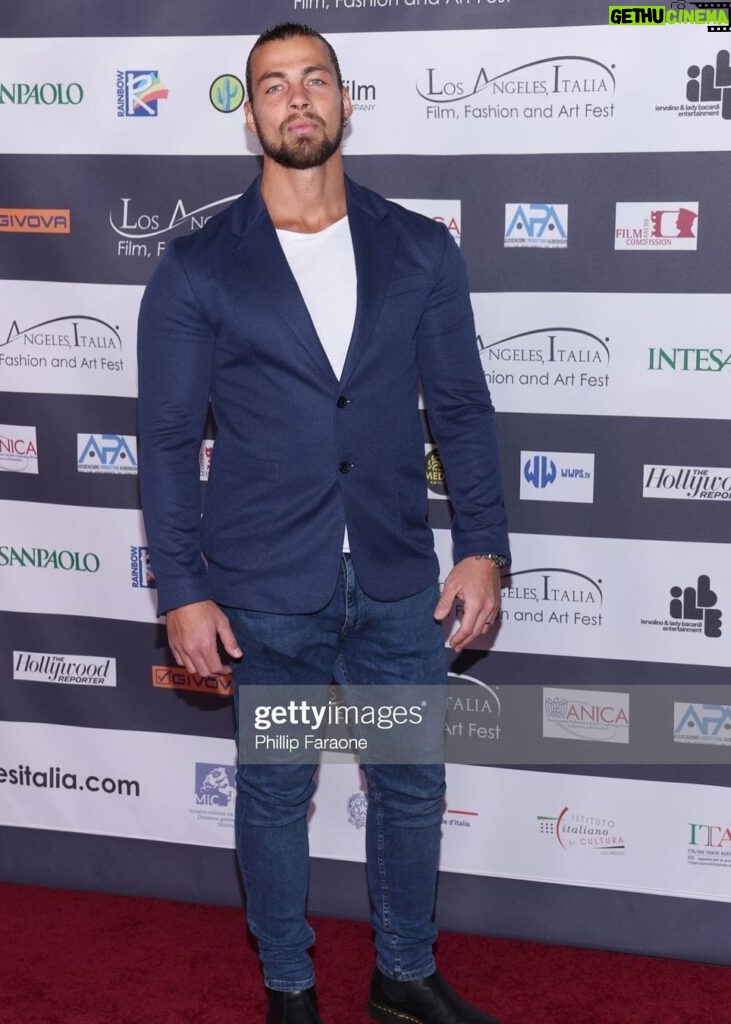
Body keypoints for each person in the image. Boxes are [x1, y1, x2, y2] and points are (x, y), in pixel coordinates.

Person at [137, 22, 510, 1024]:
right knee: (273, 794)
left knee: (409, 787)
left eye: (315, 81)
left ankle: (402, 972)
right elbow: (168, 443)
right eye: (273, 86)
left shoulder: (420, 249)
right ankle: (290, 988)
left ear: (345, 103)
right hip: (269, 587)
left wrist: (482, 545)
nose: (297, 100)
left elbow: (463, 409)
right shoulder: (199, 267)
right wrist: (181, 587)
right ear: (249, 114)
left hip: (395, 579)